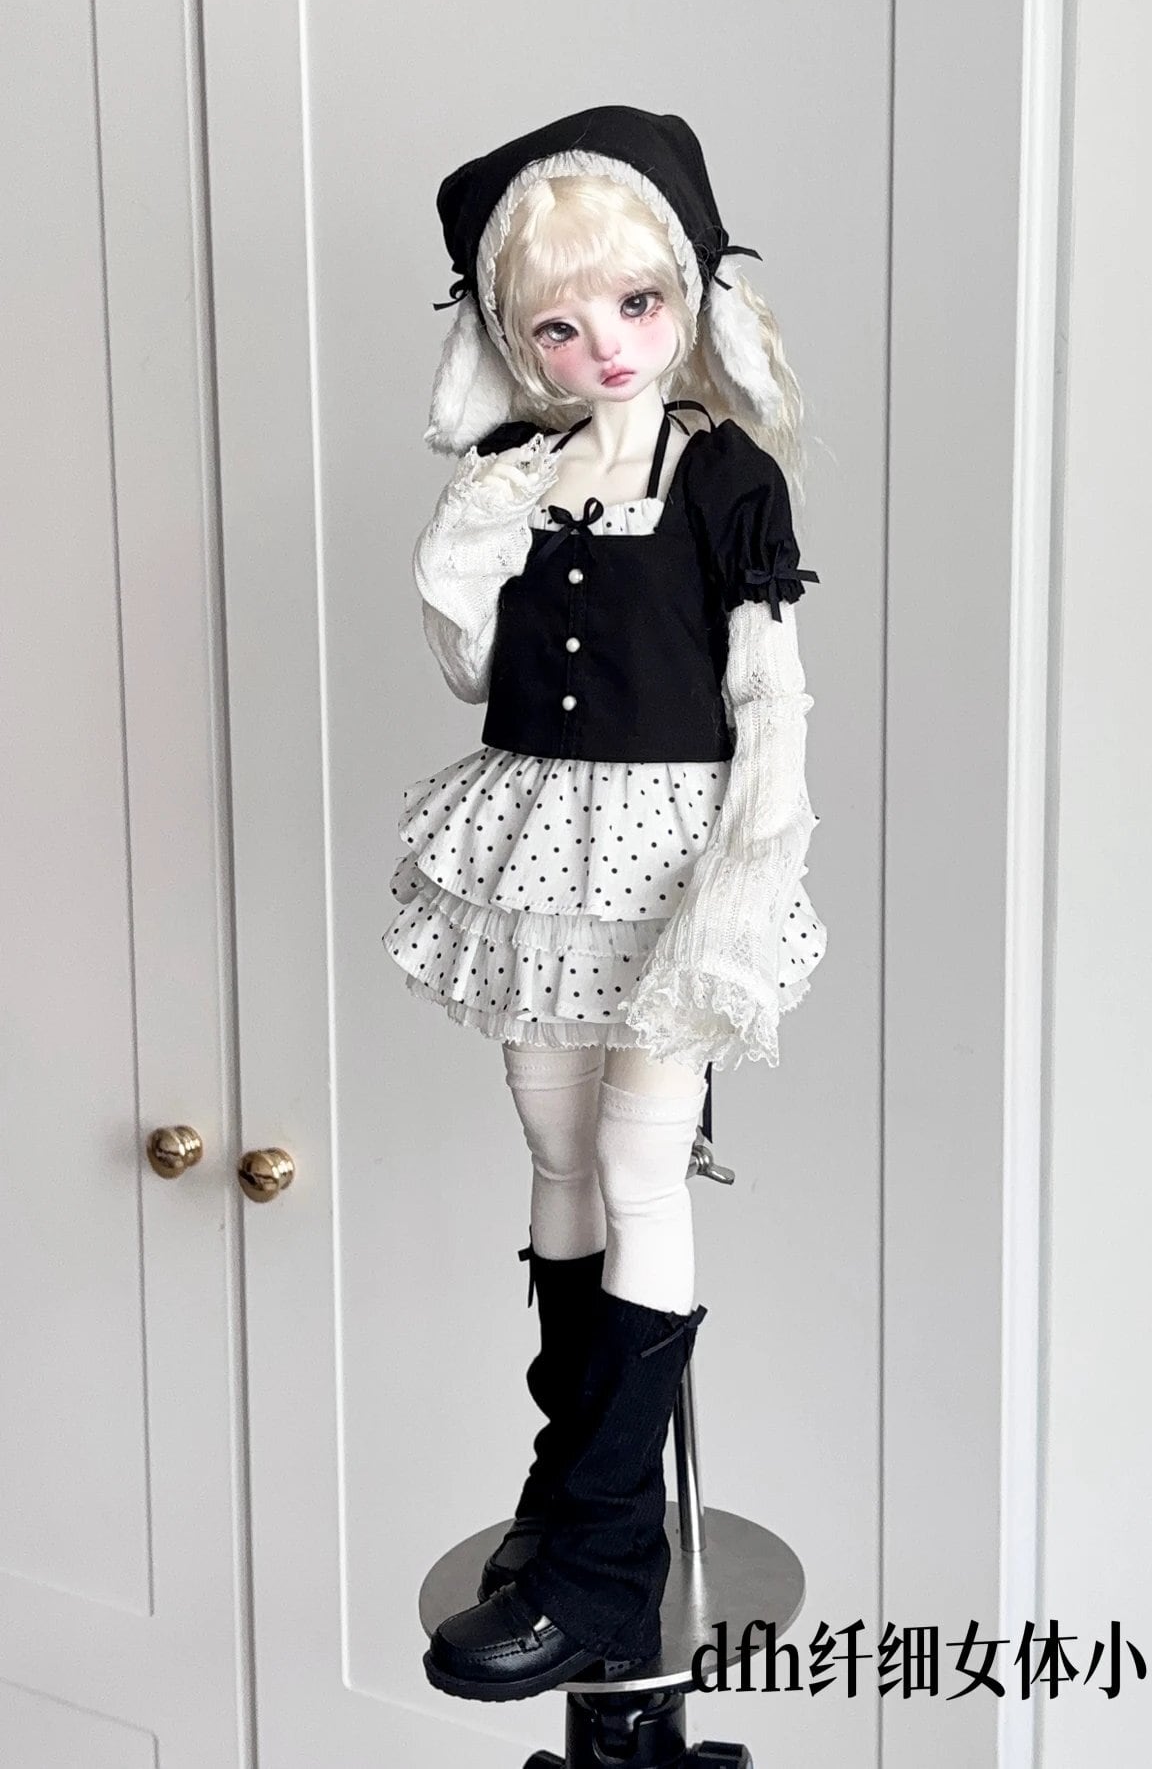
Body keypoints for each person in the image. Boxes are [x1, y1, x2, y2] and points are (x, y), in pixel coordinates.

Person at [381, 106, 827, 1700]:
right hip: (546, 854)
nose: (604, 348)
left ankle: (605, 1573)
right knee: (559, 1157)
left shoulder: (725, 477)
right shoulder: (516, 476)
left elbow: (770, 697)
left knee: (641, 1170)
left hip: (676, 860)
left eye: (635, 304)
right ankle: (573, 1494)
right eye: (557, 326)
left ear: (688, 292)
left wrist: (745, 888)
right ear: (514, 340)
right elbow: (476, 672)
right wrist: (467, 539)